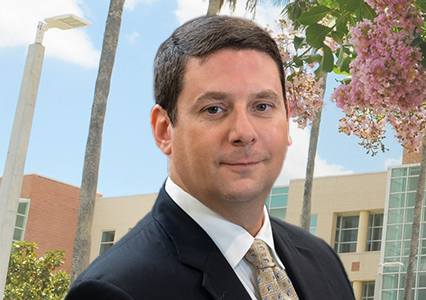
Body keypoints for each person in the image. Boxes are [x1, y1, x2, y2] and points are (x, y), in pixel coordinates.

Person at [67, 16, 353, 300]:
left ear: (288, 122)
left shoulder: (323, 261)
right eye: (214, 109)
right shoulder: (115, 290)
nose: (244, 132)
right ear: (164, 130)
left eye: (262, 106)